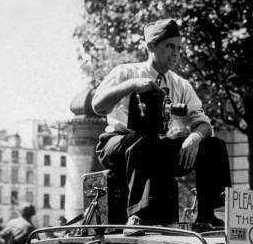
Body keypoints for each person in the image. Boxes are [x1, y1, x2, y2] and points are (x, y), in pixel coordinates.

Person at [92, 18, 231, 231]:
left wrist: (195, 137)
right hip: (117, 144)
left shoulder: (180, 84)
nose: (176, 53)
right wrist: (131, 86)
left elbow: (203, 123)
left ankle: (207, 214)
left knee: (213, 147)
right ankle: (139, 214)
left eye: (179, 48)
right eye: (169, 46)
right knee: (146, 140)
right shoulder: (126, 72)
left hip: (155, 147)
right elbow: (97, 105)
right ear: (151, 47)